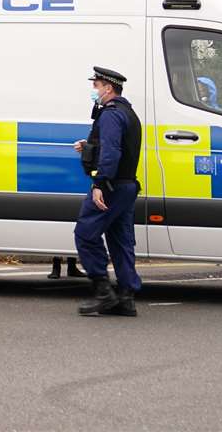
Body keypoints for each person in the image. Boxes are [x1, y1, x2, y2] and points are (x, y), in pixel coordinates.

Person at [71, 66, 143, 317]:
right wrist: (90, 146)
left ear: (108, 88)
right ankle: (126, 297)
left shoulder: (111, 114)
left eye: (97, 85)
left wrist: (99, 184)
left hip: (111, 186)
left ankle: (103, 292)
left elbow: (112, 151)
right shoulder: (128, 112)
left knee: (85, 233)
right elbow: (115, 146)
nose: (94, 90)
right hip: (126, 186)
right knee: (121, 240)